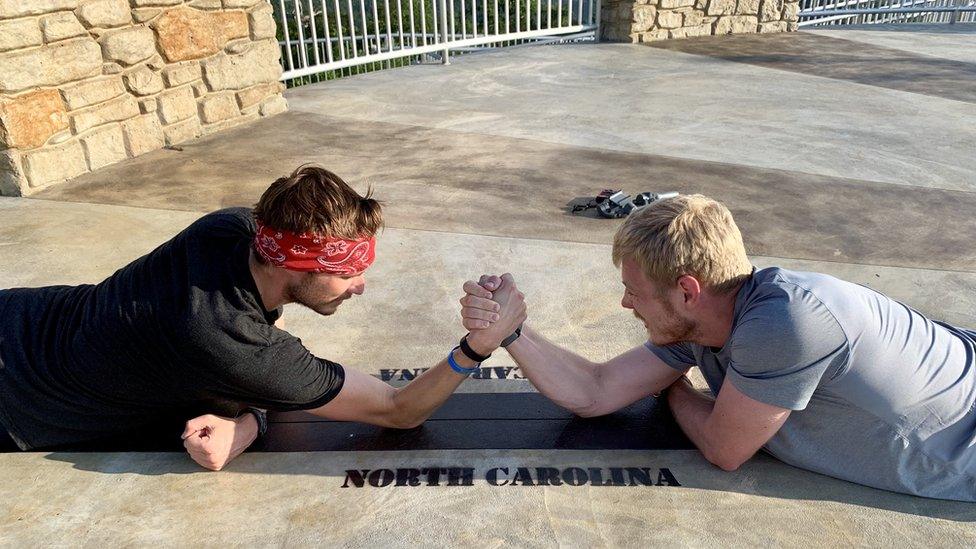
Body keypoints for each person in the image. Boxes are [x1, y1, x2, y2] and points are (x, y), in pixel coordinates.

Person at [0, 165, 525, 470]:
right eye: (345, 273)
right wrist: (475, 349)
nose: (360, 285)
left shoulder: (226, 230)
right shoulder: (229, 338)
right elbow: (399, 410)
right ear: (292, 263)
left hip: (22, 315)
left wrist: (249, 417)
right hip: (15, 400)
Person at [460, 194, 976, 501]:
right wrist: (511, 331)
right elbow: (596, 391)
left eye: (634, 292)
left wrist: (673, 393)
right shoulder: (706, 321)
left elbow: (725, 449)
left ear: (688, 290)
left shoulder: (784, 324)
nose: (624, 303)